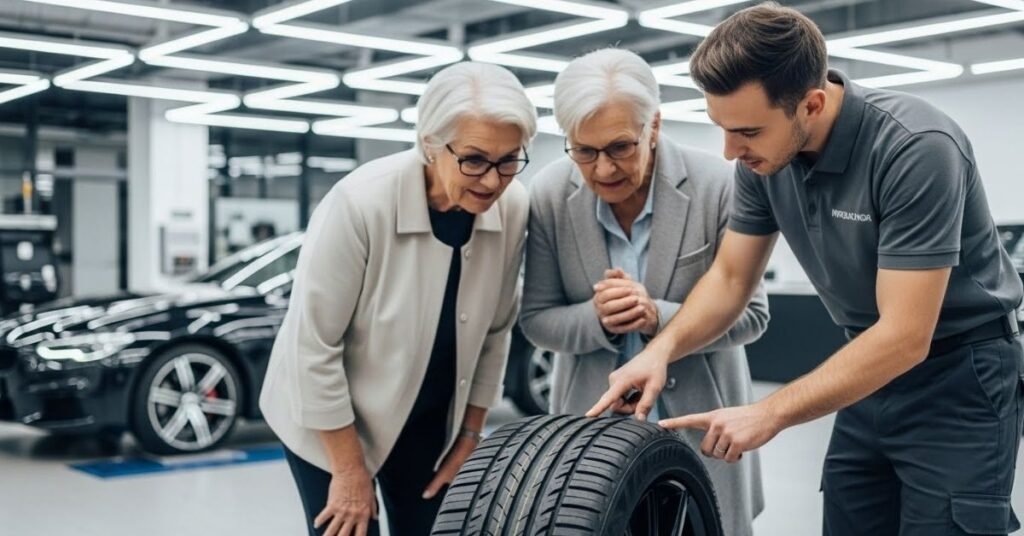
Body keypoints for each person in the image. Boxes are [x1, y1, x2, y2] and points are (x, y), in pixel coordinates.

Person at [586, 4, 1024, 535]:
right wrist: (658, 352)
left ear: (811, 104)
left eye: (745, 130)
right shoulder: (761, 159)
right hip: (866, 365)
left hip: (961, 374)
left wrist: (769, 412)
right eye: (720, 128)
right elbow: (729, 280)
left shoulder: (915, 148)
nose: (729, 152)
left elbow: (908, 335)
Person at [259, 62, 536, 536]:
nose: (492, 181)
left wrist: (470, 435)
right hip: (331, 421)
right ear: (430, 143)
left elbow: (496, 331)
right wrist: (349, 472)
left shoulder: (511, 208)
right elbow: (313, 346)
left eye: (509, 160)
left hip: (429, 419)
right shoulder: (360, 203)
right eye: (474, 160)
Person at [519, 48, 770, 536]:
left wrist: (657, 315)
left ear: (652, 126)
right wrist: (598, 319)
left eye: (620, 148)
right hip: (590, 437)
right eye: (584, 152)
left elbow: (754, 314)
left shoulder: (718, 185)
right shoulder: (549, 194)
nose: (604, 170)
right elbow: (537, 320)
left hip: (702, 431)